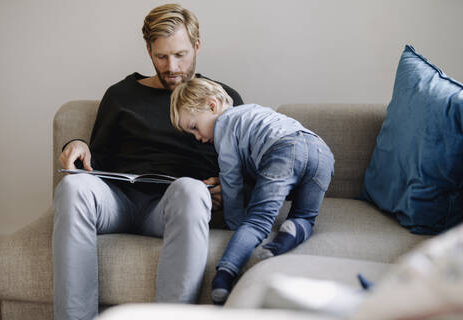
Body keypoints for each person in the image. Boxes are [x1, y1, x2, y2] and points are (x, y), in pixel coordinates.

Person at [53, 4, 243, 319]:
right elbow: (95, 159)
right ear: (148, 50)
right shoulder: (120, 95)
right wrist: (77, 143)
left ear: (197, 46)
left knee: (191, 190)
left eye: (180, 55)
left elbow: (242, 164)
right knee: (73, 188)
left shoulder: (222, 98)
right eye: (161, 56)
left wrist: (229, 187)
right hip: (118, 202)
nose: (171, 67)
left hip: (172, 207)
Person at [170, 78, 334, 304]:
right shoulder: (254, 112)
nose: (197, 137)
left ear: (212, 106)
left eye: (194, 127)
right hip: (322, 153)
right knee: (305, 216)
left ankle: (224, 275)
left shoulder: (224, 125)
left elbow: (231, 180)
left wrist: (235, 223)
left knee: (257, 220)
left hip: (284, 149)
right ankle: (288, 234)